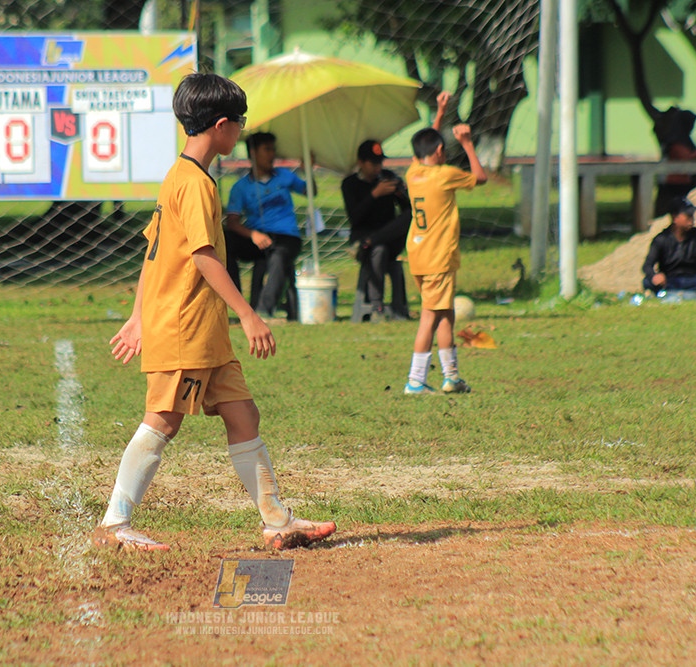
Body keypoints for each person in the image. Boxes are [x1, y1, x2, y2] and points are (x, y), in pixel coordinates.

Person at [94, 73, 336, 552]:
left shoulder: (180, 176)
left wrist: (138, 312)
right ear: (221, 125)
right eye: (240, 122)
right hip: (184, 327)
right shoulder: (196, 185)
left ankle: (276, 521)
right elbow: (204, 258)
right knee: (163, 420)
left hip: (204, 332)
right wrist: (249, 314)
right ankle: (113, 524)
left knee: (243, 414)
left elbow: (153, 252)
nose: (242, 130)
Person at [402, 123, 487, 395]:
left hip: (418, 256)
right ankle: (416, 380)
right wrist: (467, 143)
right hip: (439, 258)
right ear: (440, 151)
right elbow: (480, 177)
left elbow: (425, 144)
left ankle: (451, 377)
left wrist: (438, 114)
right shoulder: (444, 175)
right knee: (429, 316)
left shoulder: (412, 173)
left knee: (445, 315)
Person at [224, 132, 307, 320]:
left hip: (287, 238)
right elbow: (232, 222)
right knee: (225, 240)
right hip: (258, 238)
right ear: (253, 153)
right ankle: (236, 298)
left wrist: (307, 168)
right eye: (267, 150)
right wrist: (253, 235)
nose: (272, 155)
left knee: (278, 258)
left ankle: (262, 311)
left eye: (273, 150)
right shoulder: (241, 187)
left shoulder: (285, 176)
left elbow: (310, 191)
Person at [340, 139, 411, 321]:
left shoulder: (387, 177)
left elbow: (407, 212)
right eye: (373, 163)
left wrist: (401, 194)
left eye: (380, 163)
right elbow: (355, 218)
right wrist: (374, 195)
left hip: (388, 237)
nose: (378, 168)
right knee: (378, 251)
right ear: (360, 163)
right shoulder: (350, 184)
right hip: (361, 240)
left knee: (410, 216)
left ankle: (372, 240)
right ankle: (376, 304)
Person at [642, 196, 696, 297]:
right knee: (647, 281)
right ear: (675, 218)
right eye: (688, 216)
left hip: (694, 279)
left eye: (692, 216)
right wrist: (654, 276)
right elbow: (647, 265)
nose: (691, 220)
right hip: (669, 279)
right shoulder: (661, 239)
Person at [653, 107, 696, 218]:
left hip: (684, 180)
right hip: (676, 182)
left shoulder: (682, 138)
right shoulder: (677, 140)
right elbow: (686, 158)